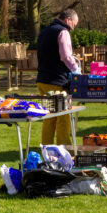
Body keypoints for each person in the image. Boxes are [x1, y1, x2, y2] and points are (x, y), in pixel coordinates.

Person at [36, 9, 79, 146]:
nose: (72, 29)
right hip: (57, 81)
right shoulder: (63, 32)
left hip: (42, 79)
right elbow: (65, 57)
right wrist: (76, 69)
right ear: (68, 20)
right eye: (74, 25)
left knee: (49, 116)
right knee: (62, 116)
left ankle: (47, 147)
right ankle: (64, 148)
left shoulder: (44, 31)